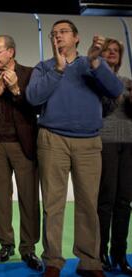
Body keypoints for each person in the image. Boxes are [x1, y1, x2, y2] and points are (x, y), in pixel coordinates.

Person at [26, 19, 123, 277]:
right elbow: (33, 97)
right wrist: (58, 70)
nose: (57, 36)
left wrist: (94, 62)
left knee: (88, 204)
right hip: (52, 140)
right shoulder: (44, 67)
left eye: (63, 32)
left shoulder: (91, 64)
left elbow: (116, 89)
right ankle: (54, 261)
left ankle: (90, 261)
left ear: (77, 38)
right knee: (53, 204)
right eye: (53, 33)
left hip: (89, 142)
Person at [0, 35, 42, 271]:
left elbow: (36, 107)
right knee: (0, 199)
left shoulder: (30, 74)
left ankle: (28, 248)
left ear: (11, 52)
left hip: (24, 145)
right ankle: (6, 244)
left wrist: (15, 89)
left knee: (29, 197)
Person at [98, 38, 132, 275]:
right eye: (108, 50)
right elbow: (102, 107)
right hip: (105, 143)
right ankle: (100, 252)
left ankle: (119, 254)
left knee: (124, 201)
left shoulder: (128, 82)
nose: (112, 53)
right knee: (106, 200)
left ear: (120, 58)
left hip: (129, 143)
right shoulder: (97, 81)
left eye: (115, 51)